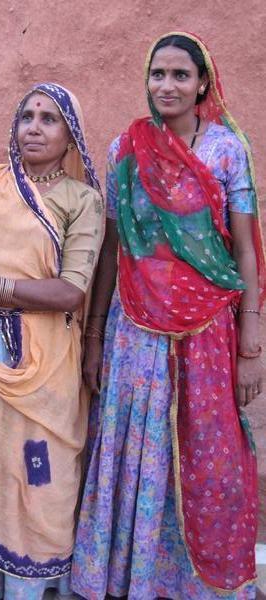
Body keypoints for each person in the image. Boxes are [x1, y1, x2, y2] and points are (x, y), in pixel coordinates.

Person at [71, 32, 265, 600]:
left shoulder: (226, 149)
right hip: (134, 327)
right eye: (159, 74)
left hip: (208, 329)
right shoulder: (124, 149)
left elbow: (247, 250)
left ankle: (201, 584)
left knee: (210, 451)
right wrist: (94, 338)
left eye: (181, 75)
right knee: (137, 448)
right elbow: (112, 249)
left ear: (203, 83)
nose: (168, 86)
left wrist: (252, 340)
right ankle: (137, 578)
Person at [0, 82, 104, 599]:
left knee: (40, 470)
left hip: (43, 356)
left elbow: (72, 291)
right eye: (27, 116)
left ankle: (32, 586)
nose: (34, 126)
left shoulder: (83, 200)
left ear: (69, 133)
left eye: (49, 118)